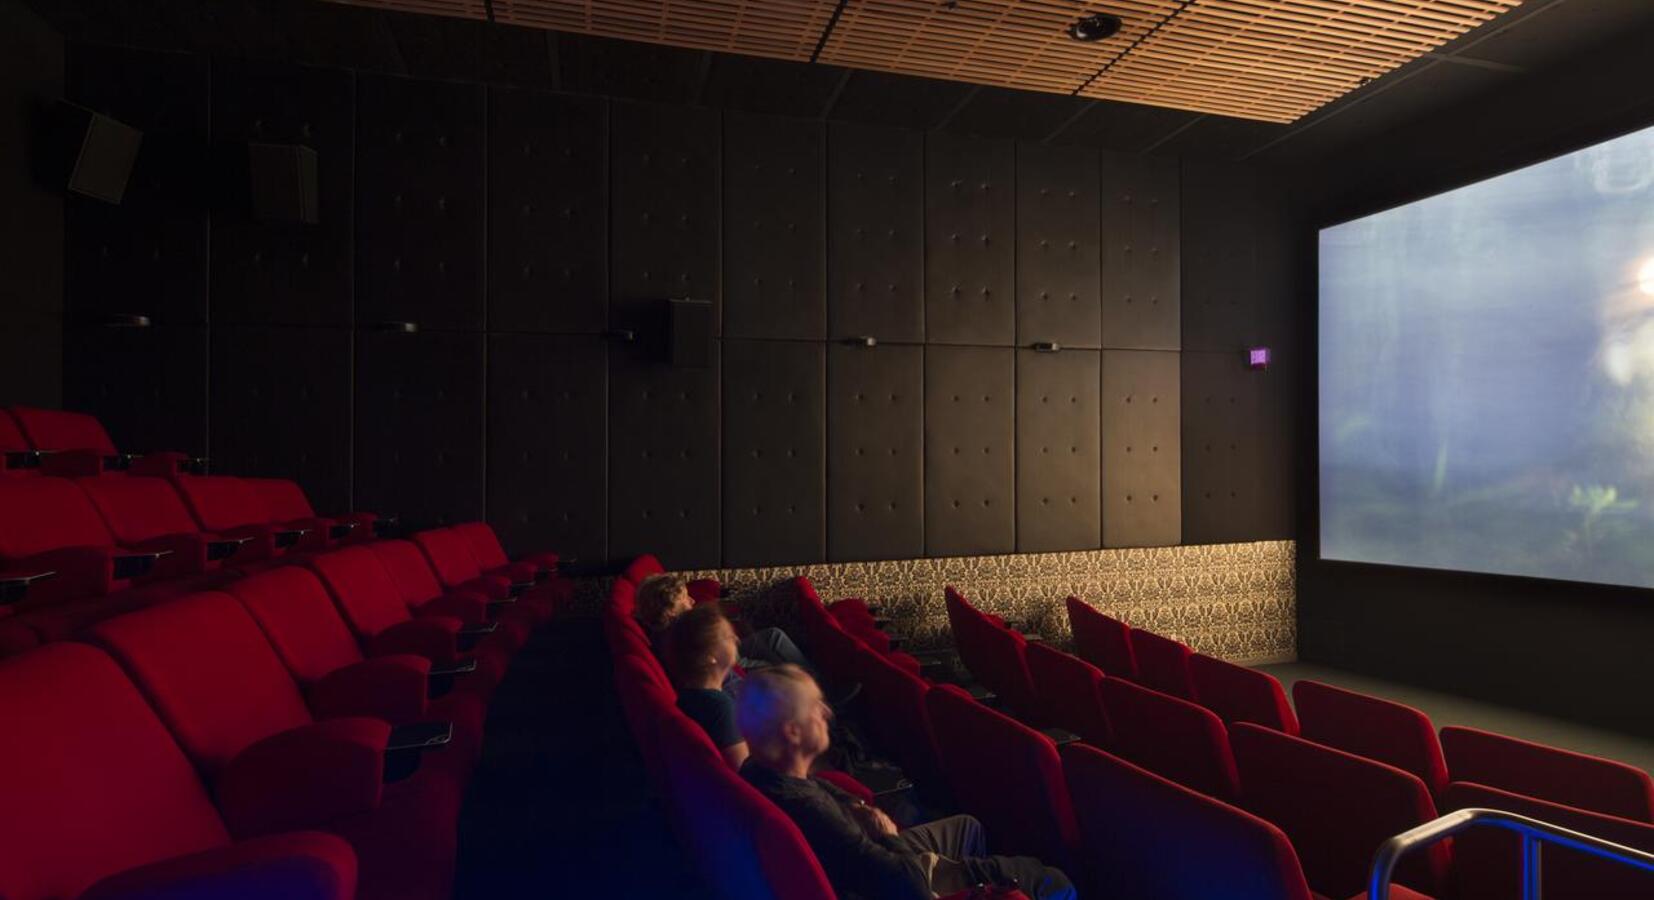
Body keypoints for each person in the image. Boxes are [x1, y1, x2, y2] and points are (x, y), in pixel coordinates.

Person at [737, 665, 1076, 900]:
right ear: (792, 732)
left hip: (880, 856)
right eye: (814, 707)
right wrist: (886, 835)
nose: (826, 712)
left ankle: (968, 880)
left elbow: (824, 790)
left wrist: (858, 810)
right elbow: (907, 884)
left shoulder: (760, 769)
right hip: (900, 875)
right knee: (1050, 879)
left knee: (967, 827)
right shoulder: (809, 809)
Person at [633, 572, 814, 676]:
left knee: (773, 636)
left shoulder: (670, 625)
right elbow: (725, 665)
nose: (692, 600)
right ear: (670, 610)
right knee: (782, 668)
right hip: (730, 664)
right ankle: (822, 696)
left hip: (728, 653)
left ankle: (822, 688)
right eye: (685, 598)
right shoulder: (682, 635)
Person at [662, 603, 748, 768]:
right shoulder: (720, 707)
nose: (736, 639)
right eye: (729, 637)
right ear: (710, 656)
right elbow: (744, 771)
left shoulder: (690, 694)